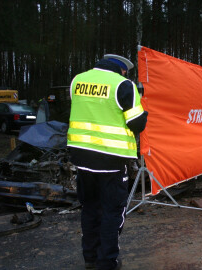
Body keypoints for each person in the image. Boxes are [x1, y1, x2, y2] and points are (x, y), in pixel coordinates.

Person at [67, 54, 148, 270]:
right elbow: (137, 123)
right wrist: (140, 101)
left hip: (82, 157)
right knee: (112, 211)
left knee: (90, 207)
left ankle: (90, 258)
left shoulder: (77, 80)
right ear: (122, 70)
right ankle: (107, 261)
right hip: (111, 158)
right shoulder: (124, 86)